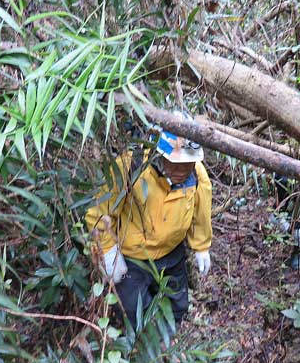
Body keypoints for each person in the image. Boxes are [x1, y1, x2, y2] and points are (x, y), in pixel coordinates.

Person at [85, 127, 212, 329]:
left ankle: (169, 340)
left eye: (187, 164)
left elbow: (200, 212)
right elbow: (100, 210)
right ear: (158, 154)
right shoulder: (131, 166)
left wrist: (201, 246)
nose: (182, 171)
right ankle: (142, 345)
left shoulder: (196, 175)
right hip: (133, 257)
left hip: (172, 253)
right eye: (176, 164)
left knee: (177, 305)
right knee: (133, 310)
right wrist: (107, 250)